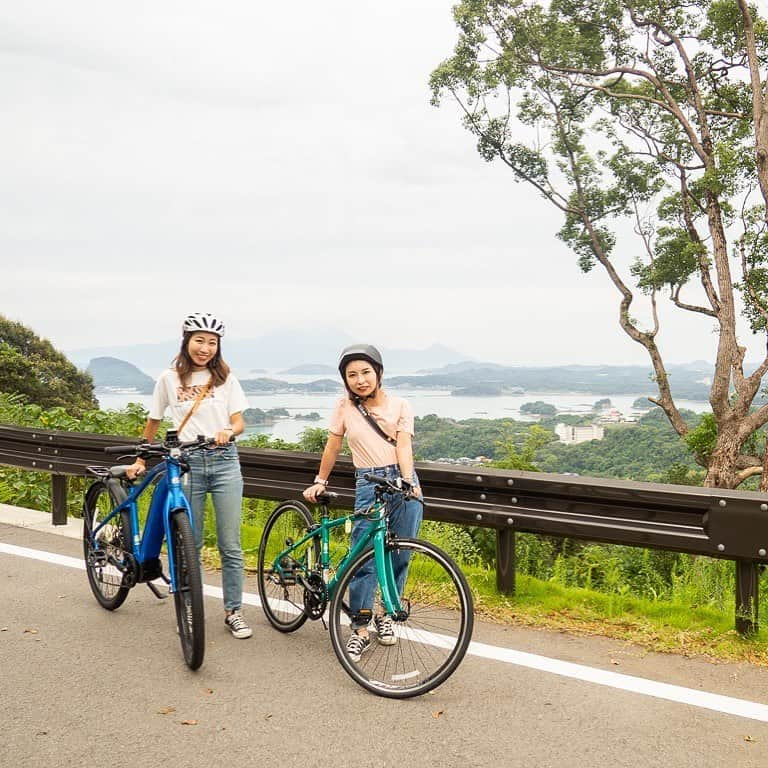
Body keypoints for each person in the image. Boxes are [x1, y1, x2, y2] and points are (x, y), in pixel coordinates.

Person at [127, 312, 253, 639]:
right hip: (187, 463)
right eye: (200, 340)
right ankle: (188, 606)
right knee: (189, 541)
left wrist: (228, 430)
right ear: (186, 341)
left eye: (212, 342)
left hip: (225, 461)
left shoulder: (226, 377)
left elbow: (239, 422)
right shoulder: (169, 379)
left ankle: (233, 611)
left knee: (230, 543)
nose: (205, 348)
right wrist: (141, 458)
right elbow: (154, 421)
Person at [303, 344, 423, 662]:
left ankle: (386, 615)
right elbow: (332, 447)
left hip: (402, 480)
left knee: (400, 553)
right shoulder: (344, 407)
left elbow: (404, 446)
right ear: (345, 379)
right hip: (368, 483)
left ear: (379, 373)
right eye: (352, 374)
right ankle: (359, 628)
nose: (360, 380)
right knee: (364, 557)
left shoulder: (401, 405)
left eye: (366, 372)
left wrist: (408, 481)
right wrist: (320, 480)